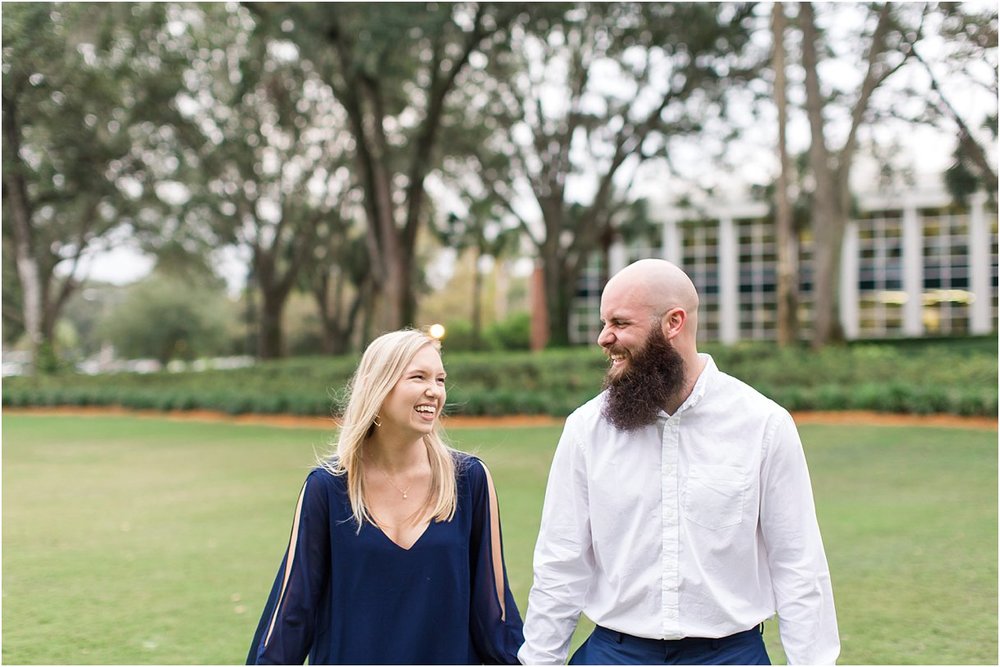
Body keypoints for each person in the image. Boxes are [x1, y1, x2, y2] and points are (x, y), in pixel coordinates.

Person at [518, 259, 839, 665]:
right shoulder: (586, 430)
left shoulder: (764, 425)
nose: (604, 338)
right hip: (614, 654)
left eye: (619, 322)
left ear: (674, 323)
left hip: (729, 655)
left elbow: (798, 564)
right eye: (604, 323)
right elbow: (560, 562)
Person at [247, 329, 524, 665]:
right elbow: (292, 612)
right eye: (418, 377)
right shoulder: (327, 487)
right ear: (379, 388)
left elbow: (494, 613)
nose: (434, 391)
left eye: (440, 379)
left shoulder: (469, 480)